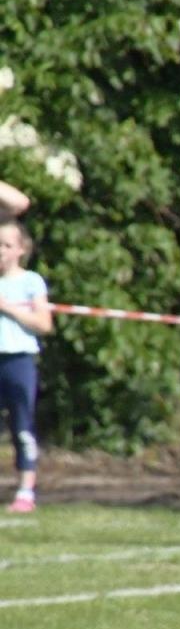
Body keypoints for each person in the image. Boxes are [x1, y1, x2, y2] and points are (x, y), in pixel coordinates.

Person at [0, 216, 50, 513]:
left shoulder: (31, 282)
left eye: (6, 245)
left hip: (18, 359)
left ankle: (25, 490)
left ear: (20, 249)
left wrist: (8, 308)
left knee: (21, 425)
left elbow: (44, 323)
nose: (0, 251)